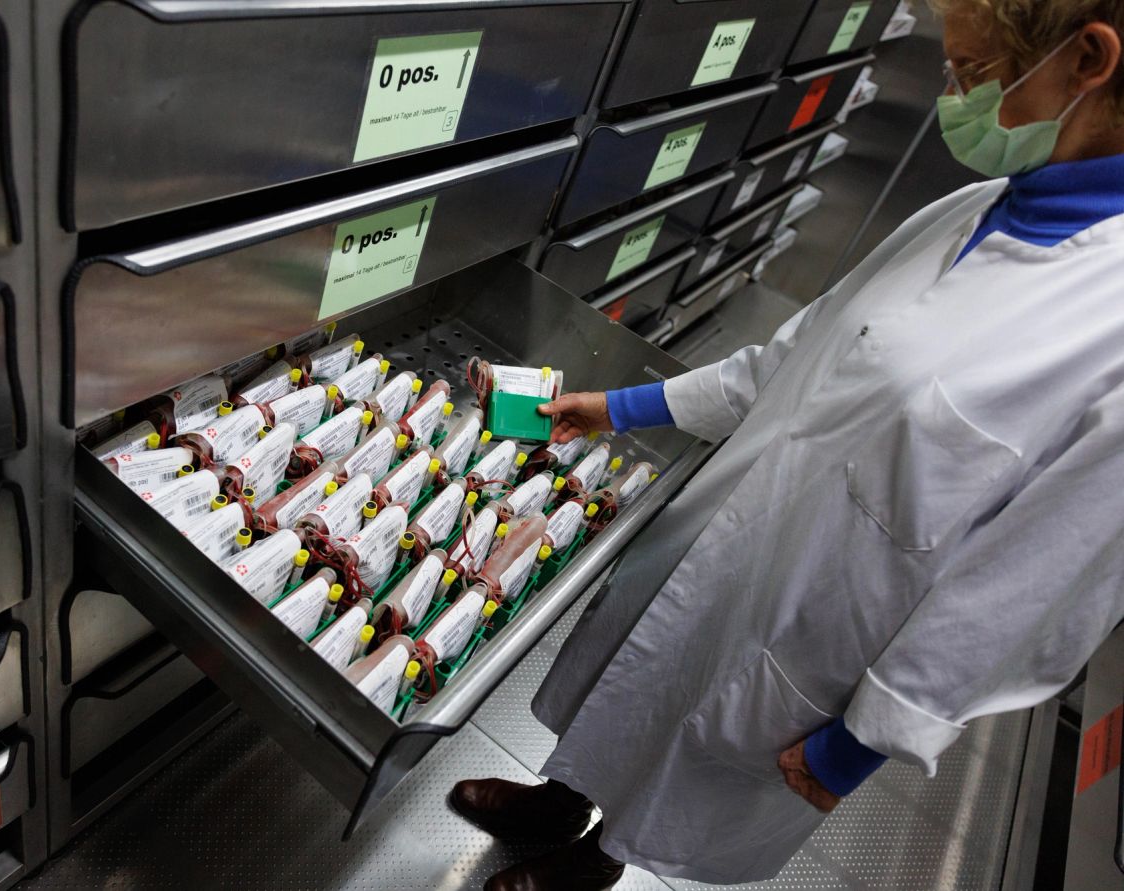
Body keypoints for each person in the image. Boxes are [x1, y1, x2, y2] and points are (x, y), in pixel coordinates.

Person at [450, 1, 1124, 887]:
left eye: (971, 75)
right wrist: (617, 407)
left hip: (822, 637)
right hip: (731, 544)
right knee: (635, 686)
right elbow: (796, 357)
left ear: (1088, 61)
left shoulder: (1107, 326)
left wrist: (869, 738)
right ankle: (562, 794)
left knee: (685, 758)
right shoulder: (971, 208)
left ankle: (596, 864)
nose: (951, 98)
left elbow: (1028, 593)